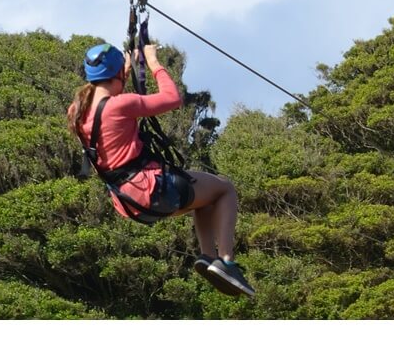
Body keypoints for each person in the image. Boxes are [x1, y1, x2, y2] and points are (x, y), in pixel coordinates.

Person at [67, 42, 255, 297]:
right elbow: (172, 99)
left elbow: (114, 112)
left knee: (204, 199)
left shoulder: (78, 110)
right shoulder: (120, 105)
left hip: (126, 200)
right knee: (224, 188)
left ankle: (208, 258)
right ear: (117, 75)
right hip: (150, 188)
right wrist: (153, 61)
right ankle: (227, 261)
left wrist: (123, 71)